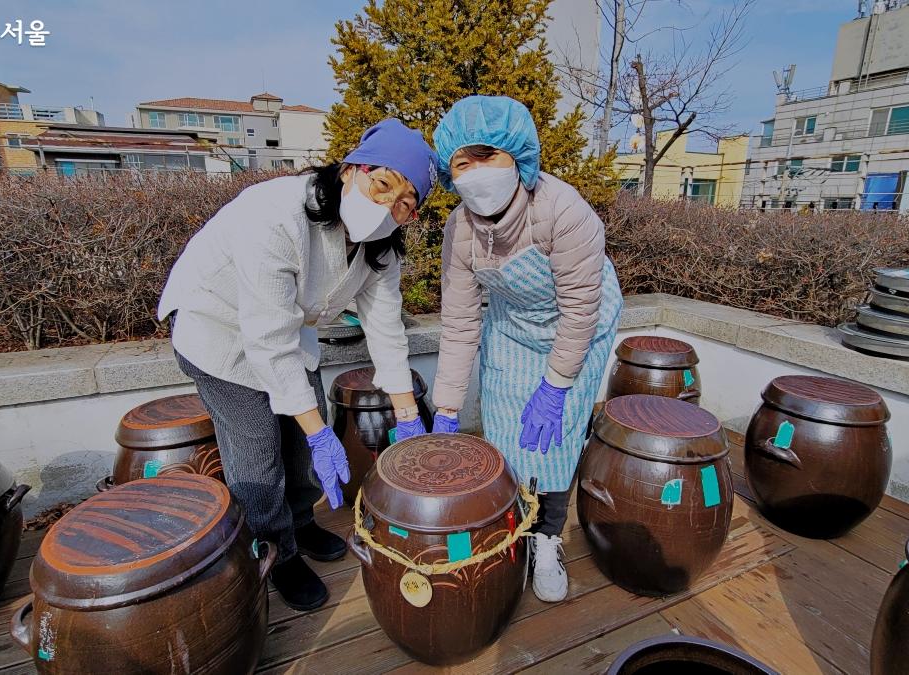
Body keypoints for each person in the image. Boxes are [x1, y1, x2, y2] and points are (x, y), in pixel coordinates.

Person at [157, 119, 437, 611]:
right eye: (382, 184)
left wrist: (409, 416)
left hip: (285, 331)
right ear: (352, 168)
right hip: (217, 331)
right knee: (258, 447)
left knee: (303, 440)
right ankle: (274, 552)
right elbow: (266, 343)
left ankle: (301, 524)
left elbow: (386, 330)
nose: (388, 207)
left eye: (405, 204)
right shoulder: (275, 215)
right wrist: (317, 432)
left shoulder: (380, 249)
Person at [427, 96, 622, 603]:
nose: (475, 173)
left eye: (486, 155)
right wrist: (446, 407)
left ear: (518, 155)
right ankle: (514, 526)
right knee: (507, 436)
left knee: (552, 444)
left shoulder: (563, 210)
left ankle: (548, 539)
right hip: (513, 327)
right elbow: (461, 322)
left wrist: (556, 386)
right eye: (461, 163)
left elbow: (581, 310)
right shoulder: (460, 231)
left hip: (578, 328)